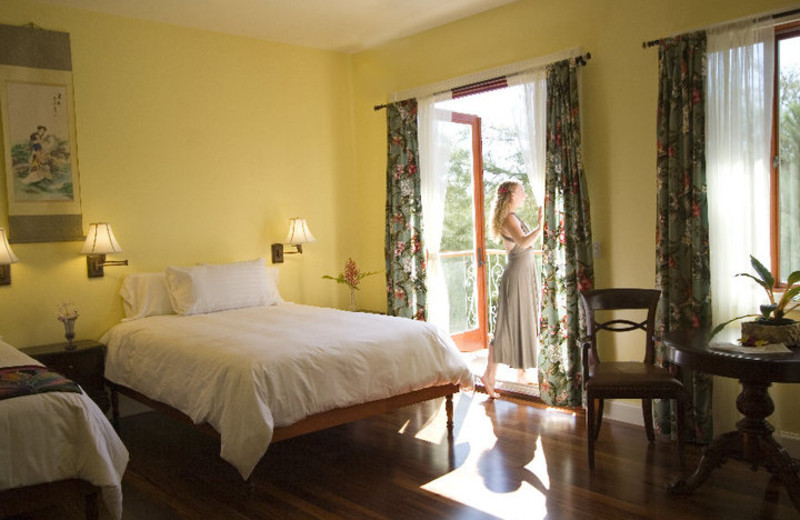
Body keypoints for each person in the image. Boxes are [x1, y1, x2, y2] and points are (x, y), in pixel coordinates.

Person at [480, 180, 542, 399]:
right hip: (516, 276)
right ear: (511, 196)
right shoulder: (508, 218)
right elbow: (524, 242)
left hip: (523, 274)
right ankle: (490, 375)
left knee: (520, 322)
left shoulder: (512, 216)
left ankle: (520, 372)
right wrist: (541, 225)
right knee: (506, 326)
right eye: (521, 191)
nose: (524, 194)